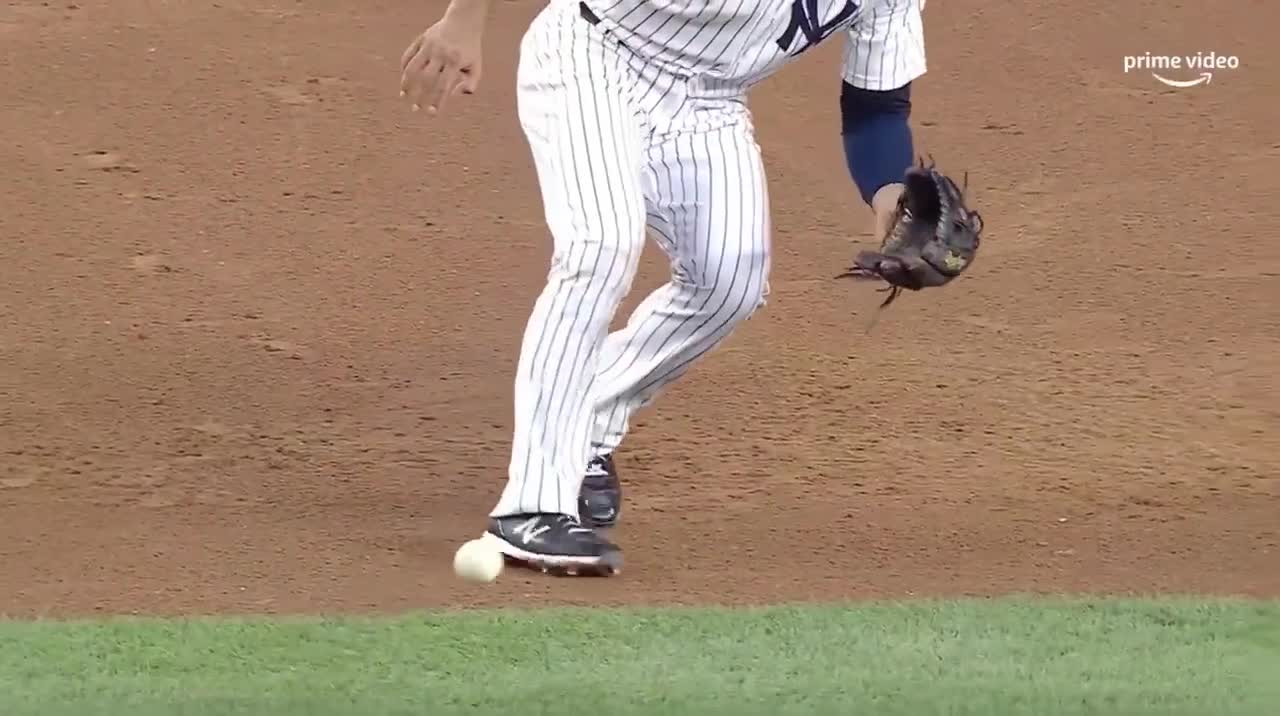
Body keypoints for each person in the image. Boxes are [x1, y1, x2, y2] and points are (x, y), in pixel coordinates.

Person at [401, 0, 928, 576]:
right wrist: (464, 22)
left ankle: (586, 422)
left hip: (711, 104)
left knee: (731, 280)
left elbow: (876, 109)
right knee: (600, 244)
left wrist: (891, 197)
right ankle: (532, 508)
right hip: (595, 56)